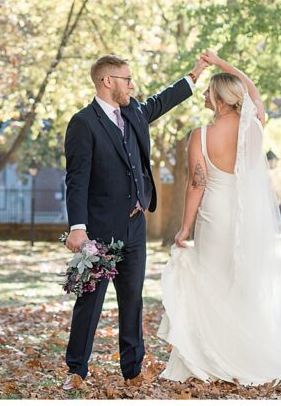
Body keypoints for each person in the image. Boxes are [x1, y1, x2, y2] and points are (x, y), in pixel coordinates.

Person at [158, 50, 281, 388]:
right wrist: (221, 63)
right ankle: (245, 354)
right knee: (243, 283)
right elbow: (253, 92)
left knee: (215, 281)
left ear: (221, 100)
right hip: (247, 217)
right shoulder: (253, 127)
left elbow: (196, 184)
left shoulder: (200, 136)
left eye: (209, 92)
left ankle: (216, 355)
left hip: (214, 216)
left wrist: (185, 228)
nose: (204, 96)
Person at [61, 52, 210, 392]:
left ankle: (132, 370)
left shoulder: (133, 112)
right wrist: (77, 227)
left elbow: (161, 101)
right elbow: (77, 179)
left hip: (134, 227)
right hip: (97, 232)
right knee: (90, 302)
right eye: (126, 79)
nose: (132, 84)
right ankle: (76, 371)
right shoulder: (83, 123)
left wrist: (194, 75)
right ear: (107, 81)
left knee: (133, 300)